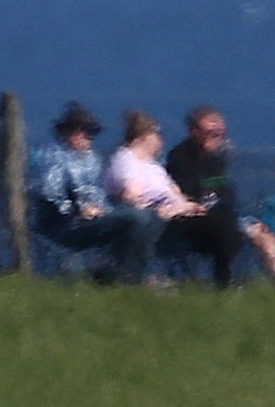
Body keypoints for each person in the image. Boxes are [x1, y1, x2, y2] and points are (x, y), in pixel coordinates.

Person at [30, 101, 159, 283]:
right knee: (137, 219)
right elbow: (49, 195)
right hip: (67, 225)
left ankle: (124, 272)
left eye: (91, 131)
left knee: (150, 217)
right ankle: (128, 278)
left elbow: (99, 193)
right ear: (66, 132)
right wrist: (77, 210)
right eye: (80, 130)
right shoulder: (53, 157)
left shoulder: (92, 159)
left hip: (97, 216)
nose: (86, 136)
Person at [163, 105, 275, 286]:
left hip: (225, 215)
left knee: (265, 237)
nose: (216, 137)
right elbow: (189, 195)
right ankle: (225, 281)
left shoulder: (220, 158)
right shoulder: (180, 158)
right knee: (227, 227)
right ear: (194, 131)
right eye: (210, 131)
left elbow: (226, 194)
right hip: (193, 219)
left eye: (220, 132)